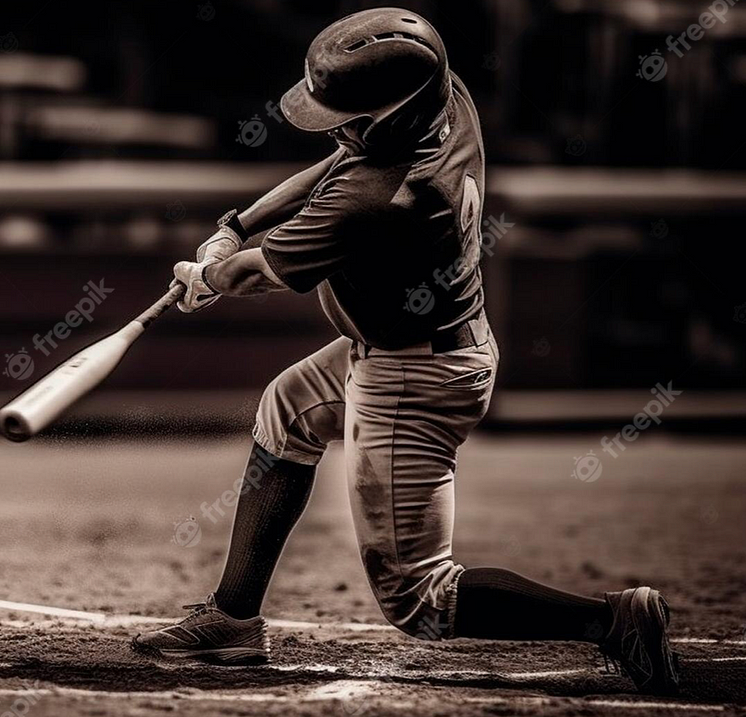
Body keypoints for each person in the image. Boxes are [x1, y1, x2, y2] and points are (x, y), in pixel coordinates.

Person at [133, 7, 679, 695]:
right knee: (290, 408)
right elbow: (341, 155)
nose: (335, 126)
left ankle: (615, 619)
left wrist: (209, 271)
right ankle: (233, 619)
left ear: (387, 117)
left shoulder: (383, 198)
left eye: (349, 116)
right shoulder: (444, 98)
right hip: (419, 346)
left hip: (412, 377)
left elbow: (254, 273)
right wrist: (234, 225)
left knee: (422, 600)